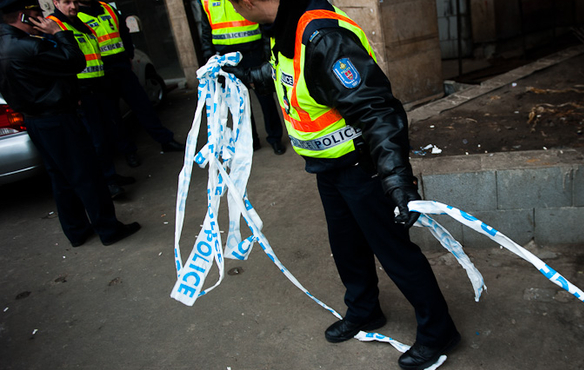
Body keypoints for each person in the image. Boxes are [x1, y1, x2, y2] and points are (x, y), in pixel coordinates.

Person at [222, 1, 460, 369]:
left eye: (237, 4)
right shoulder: (287, 27)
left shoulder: (322, 35)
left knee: (394, 252)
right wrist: (252, 75)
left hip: (360, 166)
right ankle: (364, 311)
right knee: (347, 245)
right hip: (329, 167)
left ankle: (439, 331)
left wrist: (396, 178)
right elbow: (294, 75)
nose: (237, 12)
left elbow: (377, 109)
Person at [0, 0, 140, 246]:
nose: (41, 18)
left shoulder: (7, 44)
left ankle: (76, 231)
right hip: (57, 118)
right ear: (23, 17)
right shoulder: (28, 46)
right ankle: (109, 230)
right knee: (86, 174)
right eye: (35, 15)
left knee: (61, 179)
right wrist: (58, 32)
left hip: (35, 121)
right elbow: (75, 61)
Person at [77, 0, 184, 167]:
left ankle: (166, 141)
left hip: (122, 67)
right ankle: (129, 152)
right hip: (101, 74)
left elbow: (123, 32)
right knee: (114, 118)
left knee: (144, 106)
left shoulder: (107, 8)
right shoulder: (76, 15)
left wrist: (129, 54)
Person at [48, 0, 134, 198]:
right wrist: (72, 93)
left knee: (106, 133)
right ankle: (108, 182)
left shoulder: (80, 23)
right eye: (67, 2)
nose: (73, 6)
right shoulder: (55, 26)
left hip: (99, 86)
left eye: (74, 2)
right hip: (82, 91)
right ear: (56, 3)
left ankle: (111, 175)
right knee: (96, 140)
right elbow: (59, 65)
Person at [197, 0, 286, 155]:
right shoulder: (205, 1)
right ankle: (251, 141)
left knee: (266, 98)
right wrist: (209, 57)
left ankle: (275, 138)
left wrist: (266, 52)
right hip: (225, 57)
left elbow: (263, 20)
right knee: (238, 103)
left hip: (252, 52)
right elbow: (206, 30)